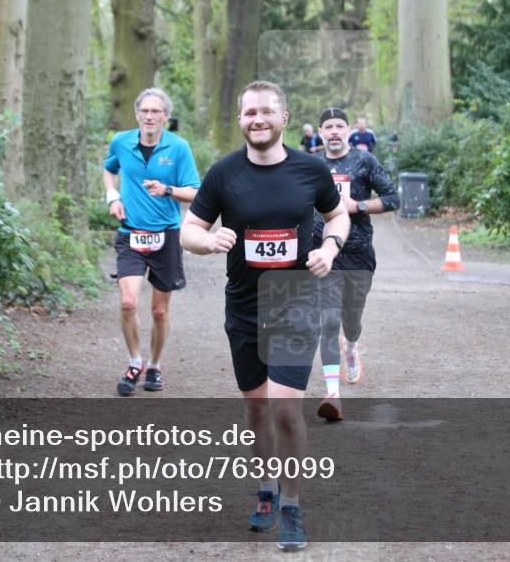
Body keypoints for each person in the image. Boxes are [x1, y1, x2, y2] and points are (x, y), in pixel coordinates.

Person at [181, 80, 350, 551]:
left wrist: (330, 246)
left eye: (267, 112)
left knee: (284, 405)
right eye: (249, 112)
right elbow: (188, 229)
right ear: (240, 119)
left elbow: (338, 216)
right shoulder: (223, 175)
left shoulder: (311, 170)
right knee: (256, 407)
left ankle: (292, 506)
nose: (258, 119)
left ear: (284, 119)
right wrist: (208, 241)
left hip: (295, 301)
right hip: (244, 307)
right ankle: (266, 491)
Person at [103, 88, 201, 396]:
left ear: (165, 117)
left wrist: (168, 190)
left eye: (156, 111)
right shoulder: (121, 141)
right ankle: (135, 362)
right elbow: (109, 170)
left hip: (166, 236)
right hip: (130, 233)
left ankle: (155, 366)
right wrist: (112, 196)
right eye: (144, 111)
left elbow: (195, 192)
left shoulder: (179, 148)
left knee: (160, 311)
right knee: (128, 302)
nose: (149, 116)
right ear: (137, 115)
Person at [314, 107, 399, 422]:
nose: (334, 132)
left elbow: (392, 198)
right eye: (328, 127)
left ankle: (351, 345)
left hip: (359, 252)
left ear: (348, 130)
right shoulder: (311, 164)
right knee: (328, 319)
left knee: (351, 318)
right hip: (324, 252)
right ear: (321, 132)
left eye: (339, 126)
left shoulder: (365, 161)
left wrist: (357, 206)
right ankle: (332, 394)